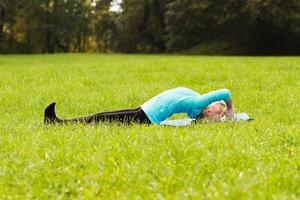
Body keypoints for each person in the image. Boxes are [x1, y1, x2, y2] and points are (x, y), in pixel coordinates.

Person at [44, 87, 234, 125]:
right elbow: (225, 92)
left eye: (221, 113)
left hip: (146, 114)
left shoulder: (196, 106)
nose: (221, 113)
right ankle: (57, 123)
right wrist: (231, 113)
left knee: (101, 118)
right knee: (102, 117)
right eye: (220, 110)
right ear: (209, 108)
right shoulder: (197, 101)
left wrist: (221, 118)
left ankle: (58, 123)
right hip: (146, 113)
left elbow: (197, 119)